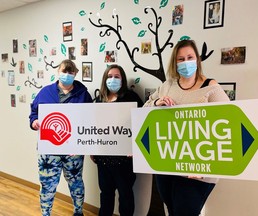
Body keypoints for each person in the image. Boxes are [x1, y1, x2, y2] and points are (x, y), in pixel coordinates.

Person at [144, 40, 230, 216]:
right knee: (173, 210)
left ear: (197, 59)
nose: (185, 62)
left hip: (197, 171)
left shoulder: (211, 87)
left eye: (189, 57)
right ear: (175, 63)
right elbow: (144, 109)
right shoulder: (167, 86)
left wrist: (207, 166)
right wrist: (156, 102)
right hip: (167, 164)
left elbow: (229, 125)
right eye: (180, 59)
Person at [29, 59, 92, 216]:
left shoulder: (83, 94)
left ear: (76, 74)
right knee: (47, 185)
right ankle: (46, 213)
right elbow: (34, 112)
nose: (67, 75)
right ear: (58, 72)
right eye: (64, 71)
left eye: (71, 72)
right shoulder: (45, 92)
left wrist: (83, 144)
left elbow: (91, 119)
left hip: (74, 150)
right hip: (49, 150)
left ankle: (78, 212)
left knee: (76, 183)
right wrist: (34, 121)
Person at [90, 64, 143, 216]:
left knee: (125, 195)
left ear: (123, 79)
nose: (112, 79)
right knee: (105, 194)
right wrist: (93, 148)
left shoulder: (131, 98)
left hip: (124, 159)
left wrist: (135, 148)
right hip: (103, 157)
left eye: (117, 76)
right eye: (110, 76)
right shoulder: (99, 100)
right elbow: (93, 127)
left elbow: (142, 123)